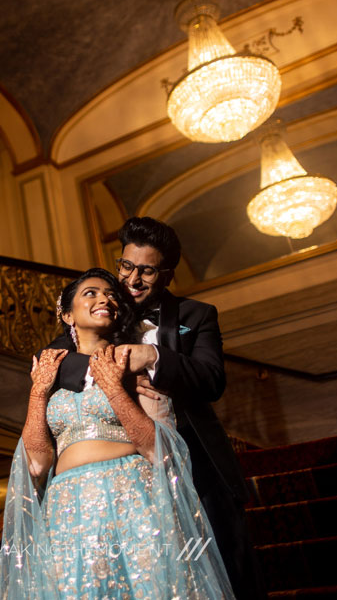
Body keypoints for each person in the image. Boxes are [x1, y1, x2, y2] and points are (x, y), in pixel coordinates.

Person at [0, 268, 234, 599]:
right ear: (67, 314)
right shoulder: (52, 371)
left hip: (131, 496)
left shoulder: (133, 365)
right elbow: (36, 464)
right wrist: (38, 392)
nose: (104, 299)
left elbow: (159, 451)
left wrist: (115, 389)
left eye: (110, 295)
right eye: (90, 293)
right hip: (67, 509)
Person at [112, 216, 267, 599]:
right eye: (126, 266)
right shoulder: (101, 305)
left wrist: (154, 355)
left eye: (146, 271)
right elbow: (58, 358)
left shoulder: (197, 315)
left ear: (167, 275)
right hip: (121, 464)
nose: (132, 280)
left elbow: (212, 379)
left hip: (193, 460)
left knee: (225, 568)